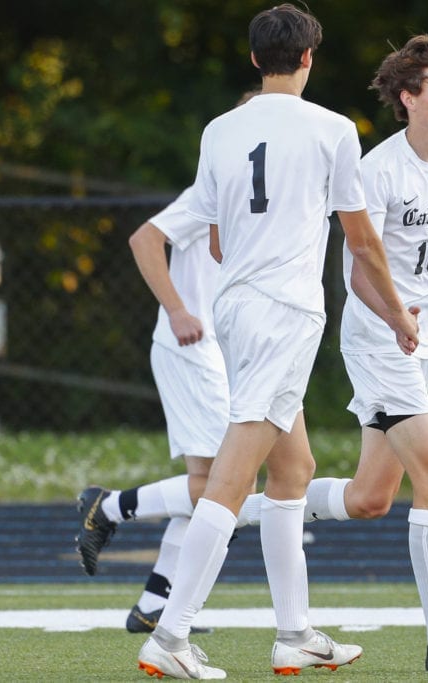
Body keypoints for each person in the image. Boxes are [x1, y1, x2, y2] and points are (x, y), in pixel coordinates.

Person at [135, 5, 419, 679]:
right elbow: (360, 238)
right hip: (285, 312)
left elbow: (212, 232)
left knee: (292, 468)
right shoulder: (332, 129)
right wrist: (400, 315)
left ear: (256, 59)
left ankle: (293, 632)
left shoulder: (218, 129)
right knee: (233, 478)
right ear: (310, 58)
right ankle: (168, 634)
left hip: (235, 309)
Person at [241, 33, 428, 673]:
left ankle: (241, 509)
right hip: (379, 340)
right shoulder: (379, 168)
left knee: (371, 498)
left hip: (419, 340)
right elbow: (357, 270)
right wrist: (395, 319)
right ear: (408, 98)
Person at [74, 91, 261, 637]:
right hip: (192, 347)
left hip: (220, 352)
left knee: (207, 485)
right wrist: (177, 309)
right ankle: (108, 507)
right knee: (224, 486)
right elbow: (144, 238)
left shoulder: (262, 192)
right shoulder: (213, 189)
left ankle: (155, 602)